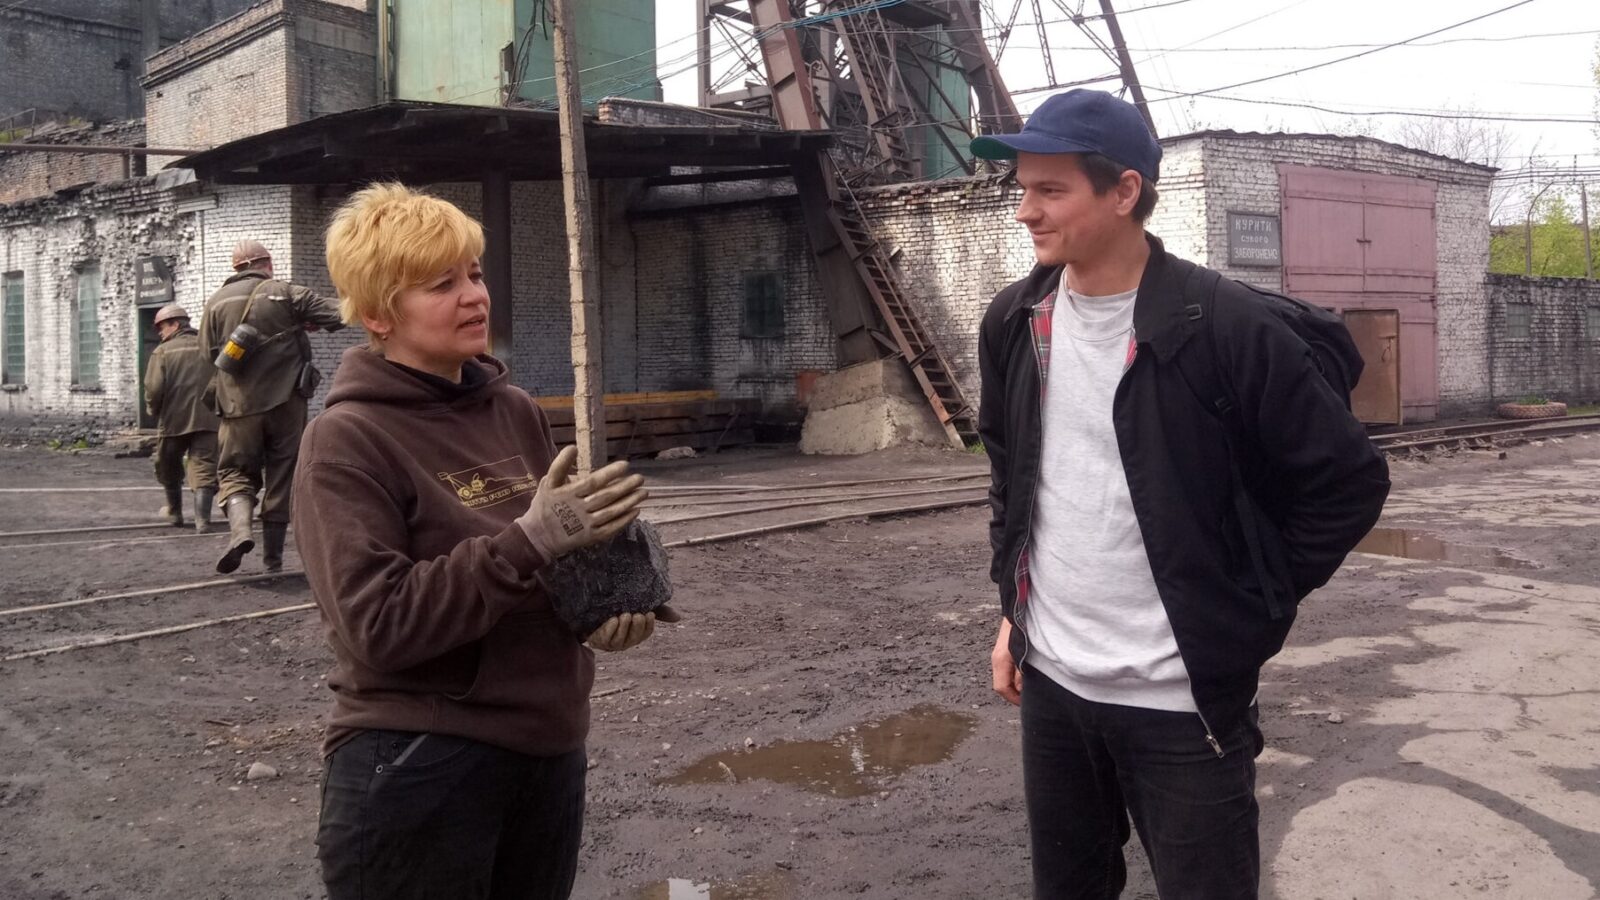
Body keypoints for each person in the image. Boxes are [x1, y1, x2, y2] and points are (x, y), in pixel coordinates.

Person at [972, 89, 1390, 899]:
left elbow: (1347, 483)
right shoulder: (1017, 320)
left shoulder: (1224, 326)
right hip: (1053, 686)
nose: (1026, 211)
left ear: (1124, 191)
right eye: (1022, 189)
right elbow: (1011, 477)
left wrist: (1246, 604)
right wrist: (1013, 611)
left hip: (1181, 701)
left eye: (1050, 190)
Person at [295, 182, 668, 900]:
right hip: (422, 761)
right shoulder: (346, 440)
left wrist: (604, 610)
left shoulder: (513, 410)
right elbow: (381, 625)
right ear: (377, 314)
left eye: (473, 273)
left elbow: (550, 564)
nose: (474, 296)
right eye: (442, 285)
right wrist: (529, 540)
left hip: (547, 749)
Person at [198, 239, 344, 574]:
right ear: (268, 264)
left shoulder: (216, 301)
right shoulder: (286, 293)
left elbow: (207, 354)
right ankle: (273, 560)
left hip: (237, 407)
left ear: (236, 268)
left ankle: (240, 532)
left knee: (235, 471)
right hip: (285, 404)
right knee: (283, 472)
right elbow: (340, 313)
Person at [143, 303, 220, 531]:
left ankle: (175, 512)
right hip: (209, 419)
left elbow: (154, 389)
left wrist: (153, 410)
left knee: (168, 465)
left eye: (162, 327)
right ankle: (202, 520)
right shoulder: (209, 347)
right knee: (204, 467)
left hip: (174, 420)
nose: (160, 333)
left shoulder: (163, 352)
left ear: (175, 324)